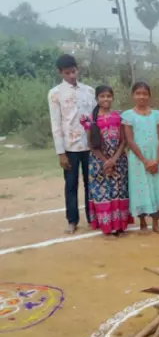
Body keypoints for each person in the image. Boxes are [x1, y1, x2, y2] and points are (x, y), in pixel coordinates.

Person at [47, 54, 96, 234]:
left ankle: (93, 217)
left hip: (89, 146)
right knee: (71, 184)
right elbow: (56, 124)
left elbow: (95, 119)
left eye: (74, 71)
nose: (72, 76)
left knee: (91, 183)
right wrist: (61, 152)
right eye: (67, 73)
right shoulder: (55, 94)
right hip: (70, 147)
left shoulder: (89, 91)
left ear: (78, 69)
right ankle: (72, 220)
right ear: (60, 72)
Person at [79, 86, 131, 237]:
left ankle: (119, 225)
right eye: (102, 96)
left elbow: (123, 141)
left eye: (108, 96)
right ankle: (107, 226)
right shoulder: (89, 119)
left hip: (119, 161)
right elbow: (90, 144)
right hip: (98, 163)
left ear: (112, 98)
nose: (106, 99)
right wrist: (105, 161)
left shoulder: (119, 117)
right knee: (104, 193)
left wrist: (114, 159)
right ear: (96, 99)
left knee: (118, 191)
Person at [121, 82, 159, 234]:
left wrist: (157, 160)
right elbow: (130, 140)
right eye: (138, 93)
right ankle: (142, 223)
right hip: (138, 159)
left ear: (149, 96)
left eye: (144, 93)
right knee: (139, 189)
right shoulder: (128, 116)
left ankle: (156, 224)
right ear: (133, 96)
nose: (141, 96)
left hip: (155, 157)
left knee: (156, 188)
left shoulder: (157, 115)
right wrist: (144, 161)